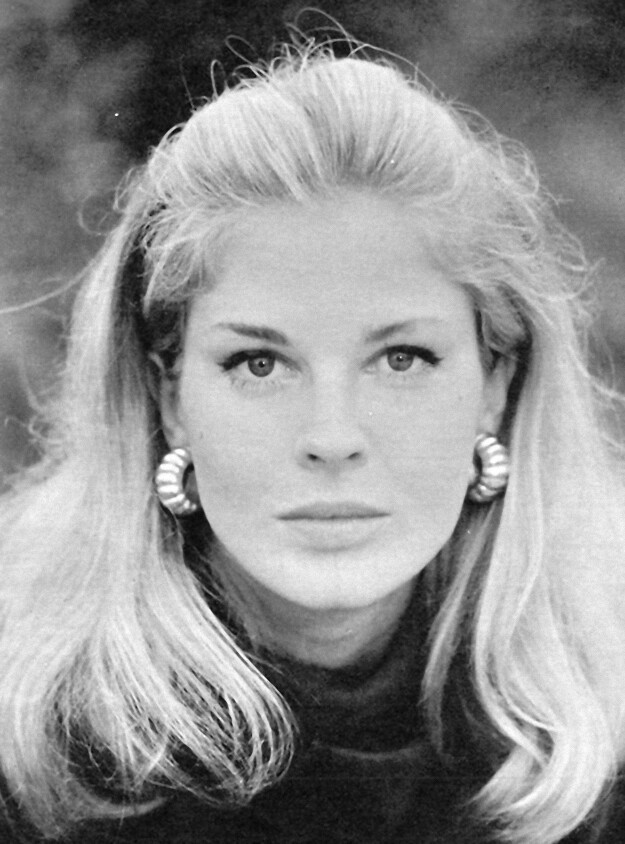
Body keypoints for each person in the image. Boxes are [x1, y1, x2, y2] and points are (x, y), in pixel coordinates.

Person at [1, 39, 624, 844]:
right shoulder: (32, 772)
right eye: (259, 364)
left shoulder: (598, 749)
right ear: (168, 396)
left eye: (401, 359)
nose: (332, 438)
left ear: (495, 386)